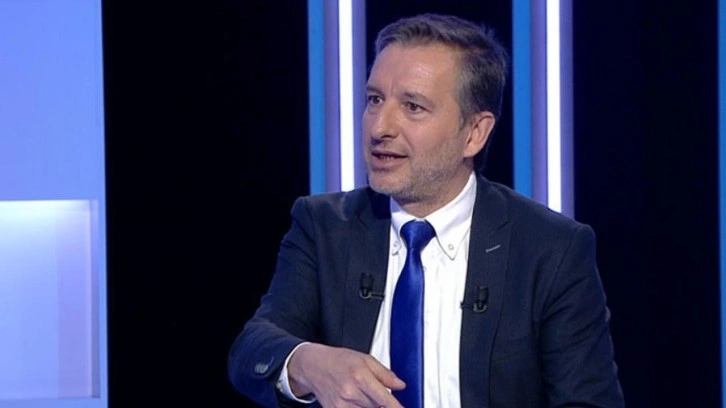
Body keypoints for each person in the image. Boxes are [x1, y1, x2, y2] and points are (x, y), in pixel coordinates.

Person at [228, 12, 624, 408]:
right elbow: (252, 350)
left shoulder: (551, 249)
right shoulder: (324, 227)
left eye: (413, 106)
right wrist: (308, 363)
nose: (380, 127)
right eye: (374, 99)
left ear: (474, 133)